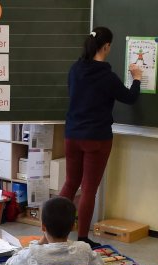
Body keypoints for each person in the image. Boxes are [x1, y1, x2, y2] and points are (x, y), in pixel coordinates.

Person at [60, 26, 142, 247]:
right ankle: (84, 238)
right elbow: (130, 98)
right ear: (106, 47)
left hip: (72, 134)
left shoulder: (75, 69)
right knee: (89, 188)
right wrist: (137, 78)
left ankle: (53, 232)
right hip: (96, 138)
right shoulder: (107, 76)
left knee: (70, 183)